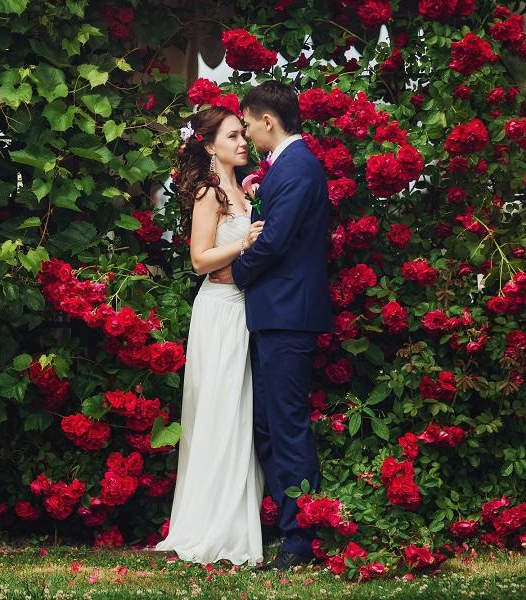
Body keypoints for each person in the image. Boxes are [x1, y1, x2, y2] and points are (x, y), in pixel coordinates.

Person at [209, 81, 333, 571]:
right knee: (268, 426)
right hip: (273, 314)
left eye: (248, 124)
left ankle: (301, 539)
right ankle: (288, 528)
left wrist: (234, 273)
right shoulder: (283, 167)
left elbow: (276, 240)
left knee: (287, 424)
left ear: (267, 121)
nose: (246, 136)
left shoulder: (298, 166)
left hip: (288, 314)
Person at [154, 106, 267, 566]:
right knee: (219, 411)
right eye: (233, 136)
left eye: (243, 134)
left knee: (239, 413)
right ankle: (209, 524)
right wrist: (245, 242)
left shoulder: (243, 190)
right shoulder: (208, 192)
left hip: (244, 308)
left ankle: (237, 519)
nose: (243, 142)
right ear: (209, 145)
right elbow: (200, 260)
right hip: (219, 310)